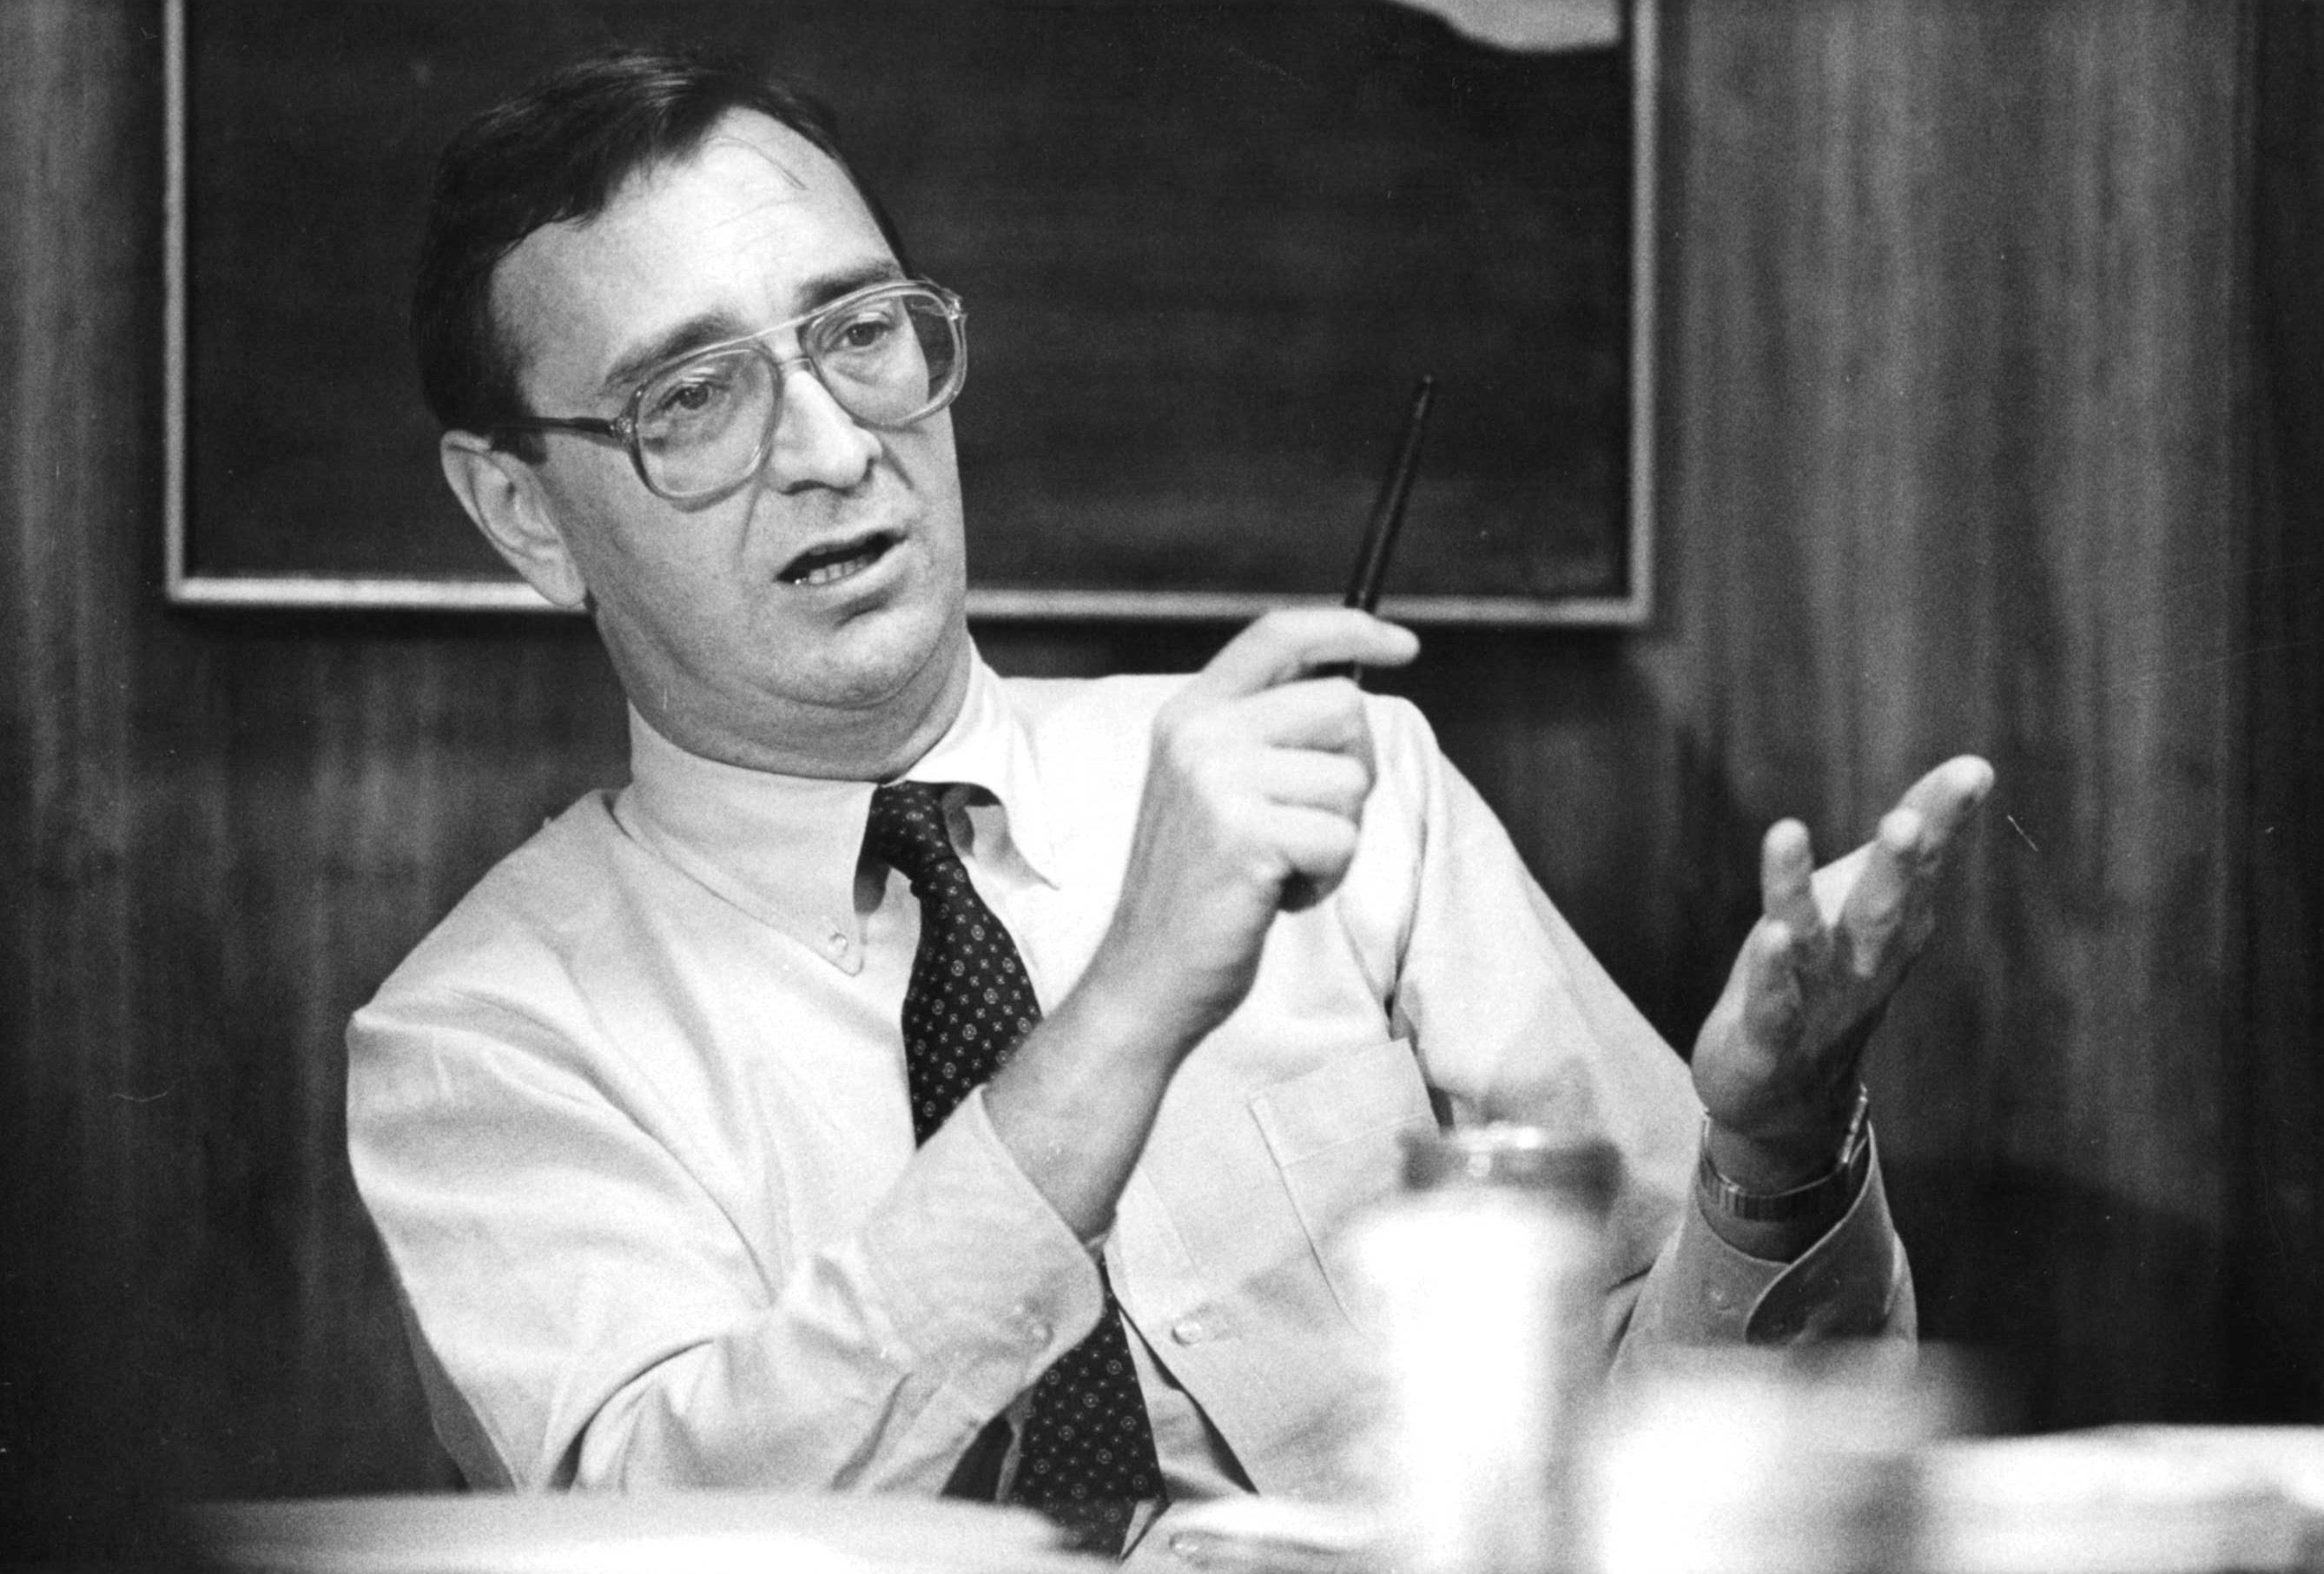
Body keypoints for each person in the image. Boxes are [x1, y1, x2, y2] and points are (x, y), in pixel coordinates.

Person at [347, 42, 1994, 1561]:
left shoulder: (1335, 788)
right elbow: (666, 1544)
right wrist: (1128, 1005)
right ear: (524, 514)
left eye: (858, 332)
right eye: (692, 394)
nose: (837, 448)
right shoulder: (484, 1043)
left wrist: (1772, 1155)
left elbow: (1688, 1469)